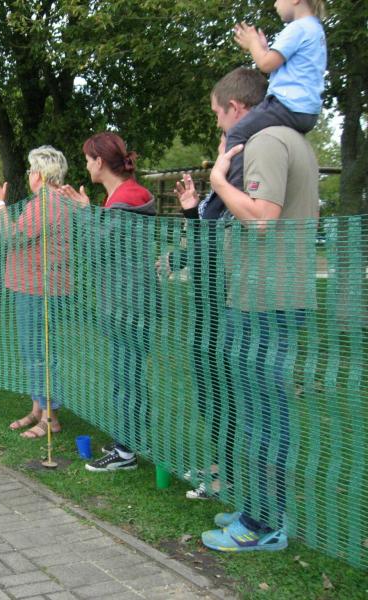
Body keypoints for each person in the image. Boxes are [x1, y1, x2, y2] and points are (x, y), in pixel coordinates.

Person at [201, 89, 319, 553]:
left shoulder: (267, 141)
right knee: (260, 410)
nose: (219, 125)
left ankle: (262, 523)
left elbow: (261, 218)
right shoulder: (289, 139)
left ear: (237, 107)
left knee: (264, 413)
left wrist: (218, 181)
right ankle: (261, 507)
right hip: (268, 296)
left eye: (218, 113)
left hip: (266, 301)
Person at [167, 67, 269, 500]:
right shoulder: (225, 182)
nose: (218, 140)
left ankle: (229, 476)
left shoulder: (239, 177)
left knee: (226, 392)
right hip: (208, 306)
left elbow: (232, 238)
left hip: (228, 305)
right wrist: (192, 210)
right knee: (211, 392)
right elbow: (206, 241)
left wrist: (217, 186)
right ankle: (220, 465)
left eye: (220, 126)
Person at [61, 133, 155, 472]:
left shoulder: (125, 199)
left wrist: (82, 214)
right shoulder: (123, 196)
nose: (86, 166)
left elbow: (99, 249)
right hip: (128, 300)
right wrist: (88, 212)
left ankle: (125, 451)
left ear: (100, 162)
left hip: (128, 304)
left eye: (88, 160)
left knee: (126, 376)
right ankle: (130, 439)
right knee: (128, 374)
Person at [0, 146, 79, 439]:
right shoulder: (49, 201)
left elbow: (12, 238)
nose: (29, 174)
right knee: (34, 351)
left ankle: (50, 418)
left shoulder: (46, 203)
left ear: (41, 174)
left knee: (41, 353)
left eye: (31, 170)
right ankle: (37, 408)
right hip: (36, 287)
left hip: (39, 289)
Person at [217, 0, 326, 201]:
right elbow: (283, 66)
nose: (275, 4)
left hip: (287, 105)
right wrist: (264, 48)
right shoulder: (316, 29)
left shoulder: (297, 28)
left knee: (237, 134)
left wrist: (253, 44)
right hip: (307, 113)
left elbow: (265, 64)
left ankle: (236, 197)